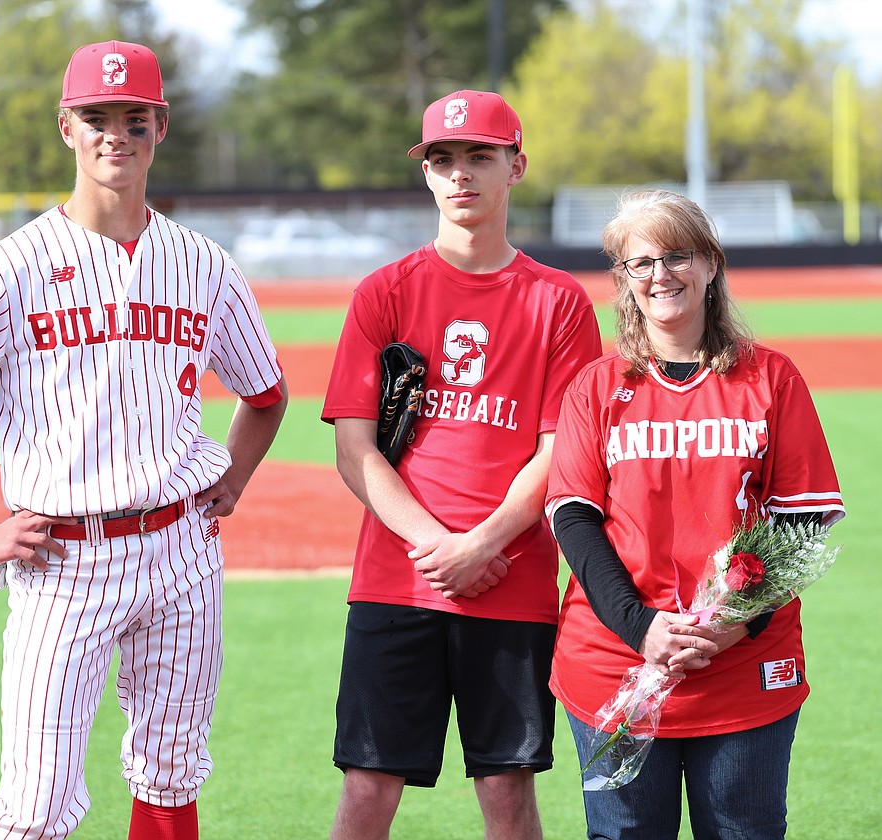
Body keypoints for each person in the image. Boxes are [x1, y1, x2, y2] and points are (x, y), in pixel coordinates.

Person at [0, 40, 287, 840]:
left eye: (134, 118)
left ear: (160, 128)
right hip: (62, 559)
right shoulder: (9, 268)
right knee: (34, 805)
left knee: (171, 768)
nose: (115, 135)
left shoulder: (202, 264)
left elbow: (265, 395)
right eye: (96, 117)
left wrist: (230, 479)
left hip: (182, 551)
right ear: (67, 126)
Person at [320, 90, 604, 839]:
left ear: (517, 165)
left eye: (480, 157)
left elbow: (561, 450)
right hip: (394, 579)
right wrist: (436, 548)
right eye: (442, 160)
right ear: (426, 174)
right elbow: (354, 448)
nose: (460, 175)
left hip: (509, 583)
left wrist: (482, 544)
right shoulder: (384, 291)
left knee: (508, 792)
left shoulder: (560, 301)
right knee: (368, 788)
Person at [546, 188, 846, 840]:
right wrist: (641, 627)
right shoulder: (597, 387)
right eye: (641, 262)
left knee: (743, 832)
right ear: (623, 279)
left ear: (710, 264)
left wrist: (733, 625)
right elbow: (574, 518)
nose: (661, 275)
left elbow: (801, 520)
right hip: (617, 667)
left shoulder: (771, 379)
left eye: (677, 255)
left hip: (740, 670)